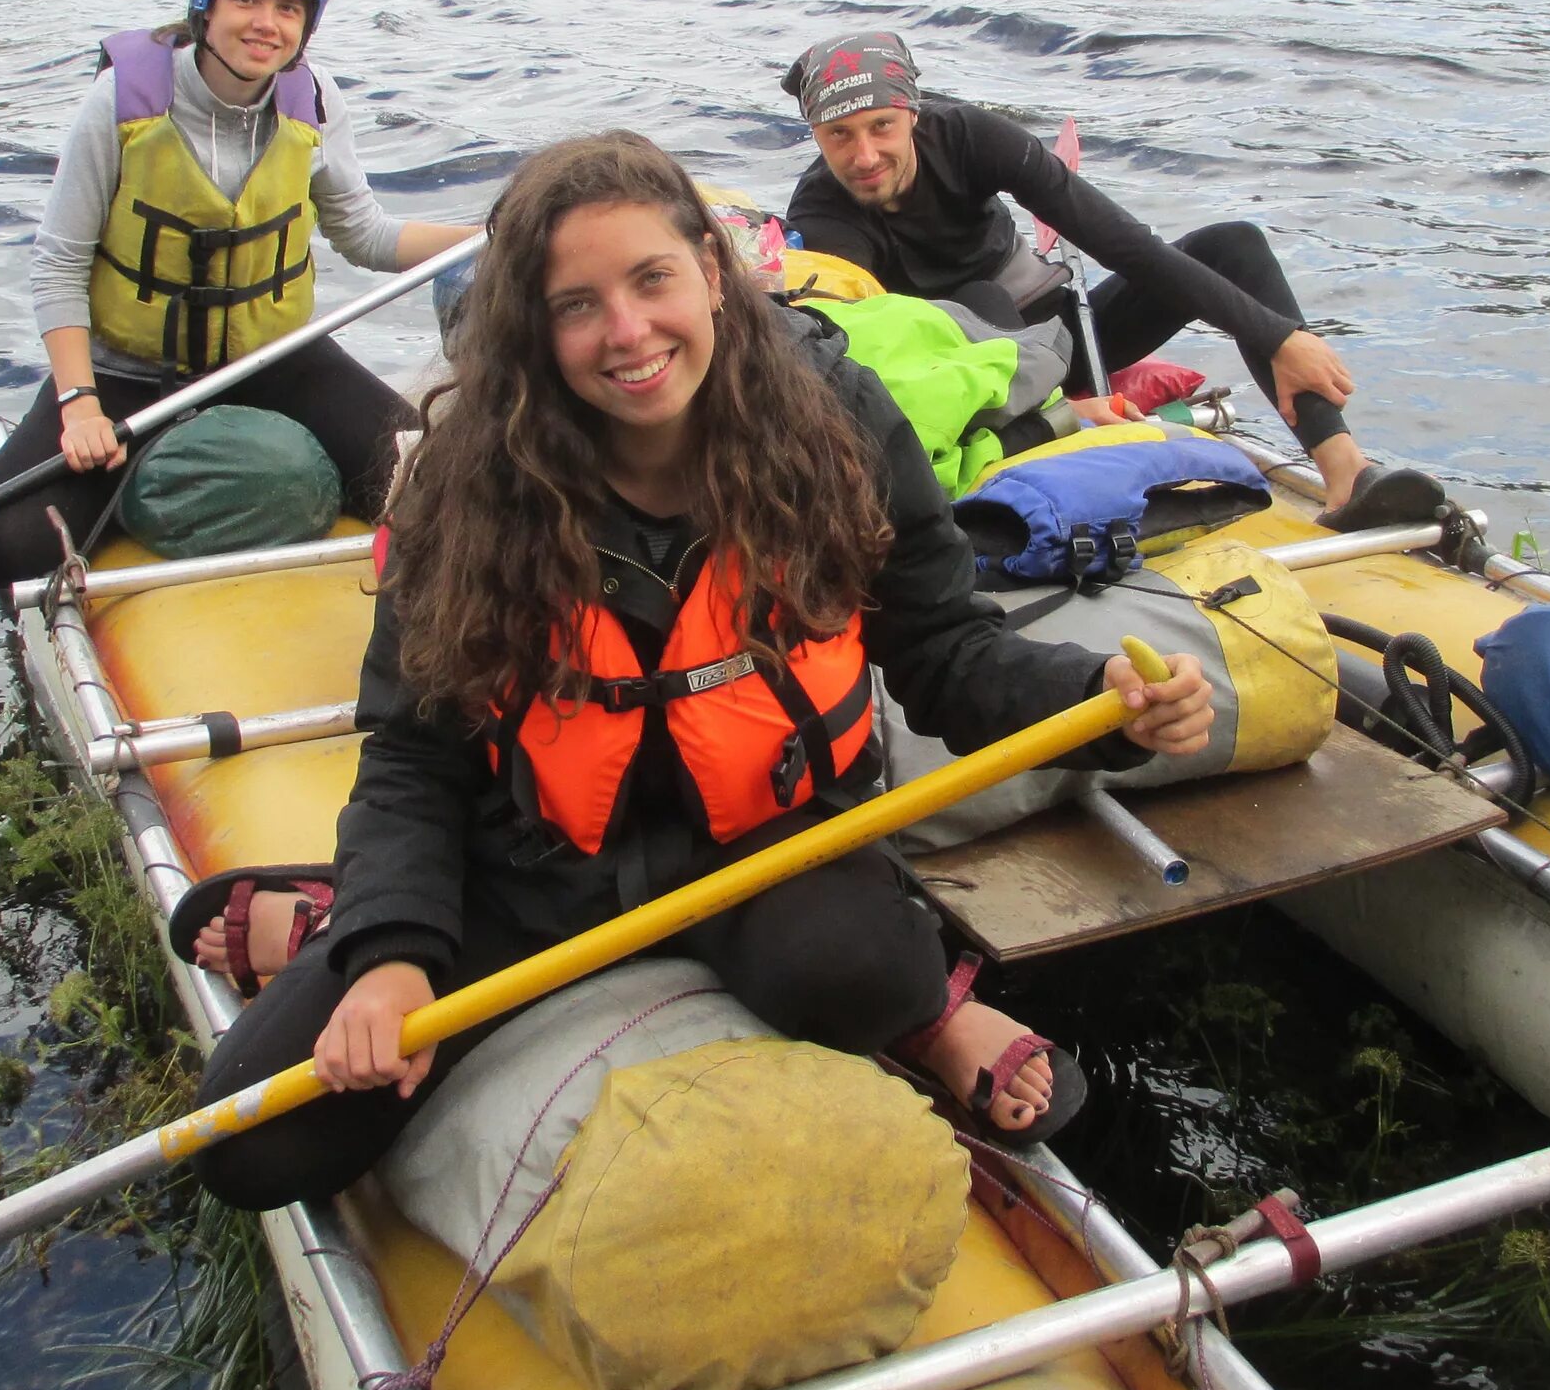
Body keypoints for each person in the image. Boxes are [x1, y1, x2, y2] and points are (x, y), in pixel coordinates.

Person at [187, 132, 1213, 1210]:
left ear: (713, 276)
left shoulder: (840, 426)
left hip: (762, 839)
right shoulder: (468, 481)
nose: (626, 333)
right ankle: (342, 914)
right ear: (529, 331)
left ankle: (926, 1008)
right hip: (534, 861)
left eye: (651, 280)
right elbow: (414, 750)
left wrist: (1094, 703)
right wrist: (392, 950)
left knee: (861, 974)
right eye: (574, 304)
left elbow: (944, 650)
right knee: (254, 1149)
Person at [0, 0, 477, 590]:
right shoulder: (122, 101)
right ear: (206, 4)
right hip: (127, 372)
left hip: (271, 359)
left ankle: (200, 465)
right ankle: (149, 483)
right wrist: (79, 403)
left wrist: (497, 231)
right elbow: (58, 261)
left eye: (290, 8)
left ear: (307, 25)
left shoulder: (313, 100)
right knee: (0, 546)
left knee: (438, 483)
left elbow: (367, 235)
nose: (267, 23)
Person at [778, 31, 1439, 528]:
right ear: (814, 134)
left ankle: (1345, 473)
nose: (865, 156)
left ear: (914, 114)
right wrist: (1054, 415)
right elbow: (877, 365)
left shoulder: (972, 138)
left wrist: (1278, 335)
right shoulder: (822, 216)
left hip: (1064, 334)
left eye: (882, 127)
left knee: (1232, 245)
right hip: (976, 382)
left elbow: (1125, 244)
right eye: (839, 136)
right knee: (971, 304)